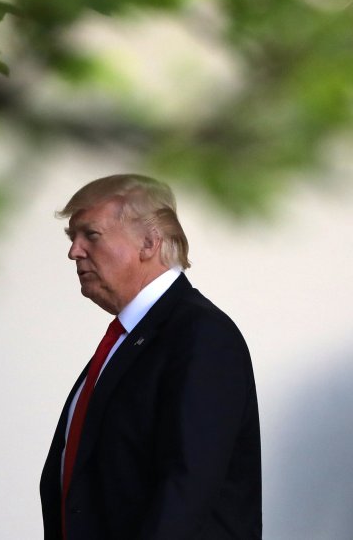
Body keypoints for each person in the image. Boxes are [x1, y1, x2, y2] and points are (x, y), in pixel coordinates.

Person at [40, 174, 261, 539]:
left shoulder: (201, 335)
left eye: (90, 235)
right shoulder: (129, 340)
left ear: (148, 242)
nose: (74, 251)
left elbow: (186, 489)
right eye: (72, 238)